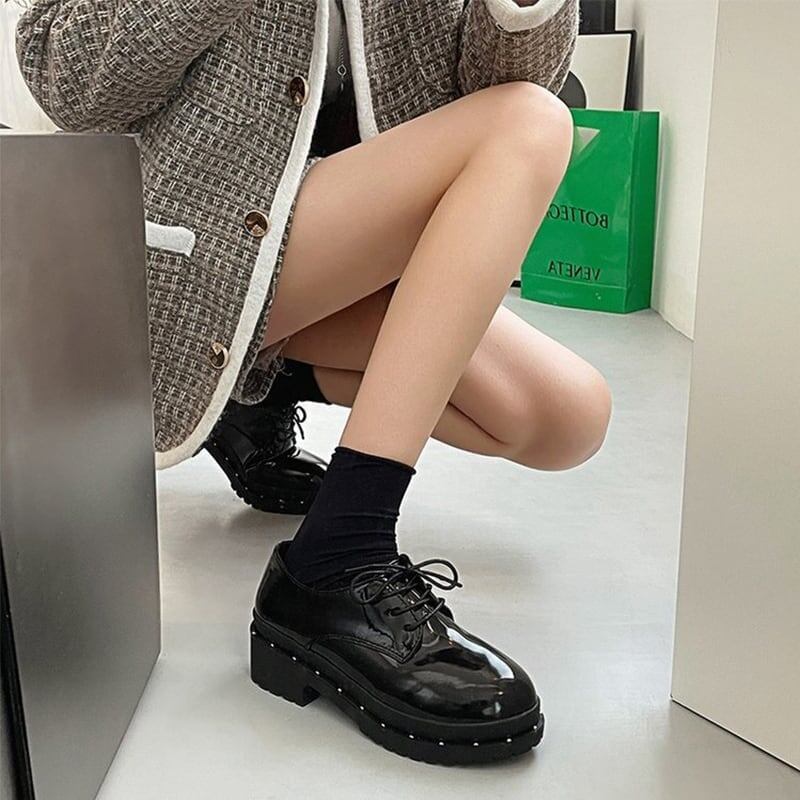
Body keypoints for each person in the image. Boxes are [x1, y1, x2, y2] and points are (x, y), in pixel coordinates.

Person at [17, 0, 610, 764]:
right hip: (191, 251)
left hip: (346, 252)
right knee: (529, 123)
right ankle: (339, 552)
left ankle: (258, 386)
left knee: (567, 418)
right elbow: (69, 82)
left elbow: (501, 81)